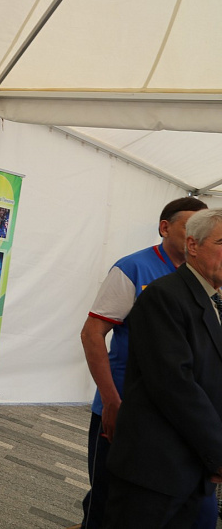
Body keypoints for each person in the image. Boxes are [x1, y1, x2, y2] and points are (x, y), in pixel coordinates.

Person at [76, 196, 210, 529]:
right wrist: (110, 401)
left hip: (178, 416)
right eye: (189, 226)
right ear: (165, 227)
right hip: (125, 407)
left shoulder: (205, 278)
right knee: (109, 499)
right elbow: (92, 334)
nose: (196, 235)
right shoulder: (133, 268)